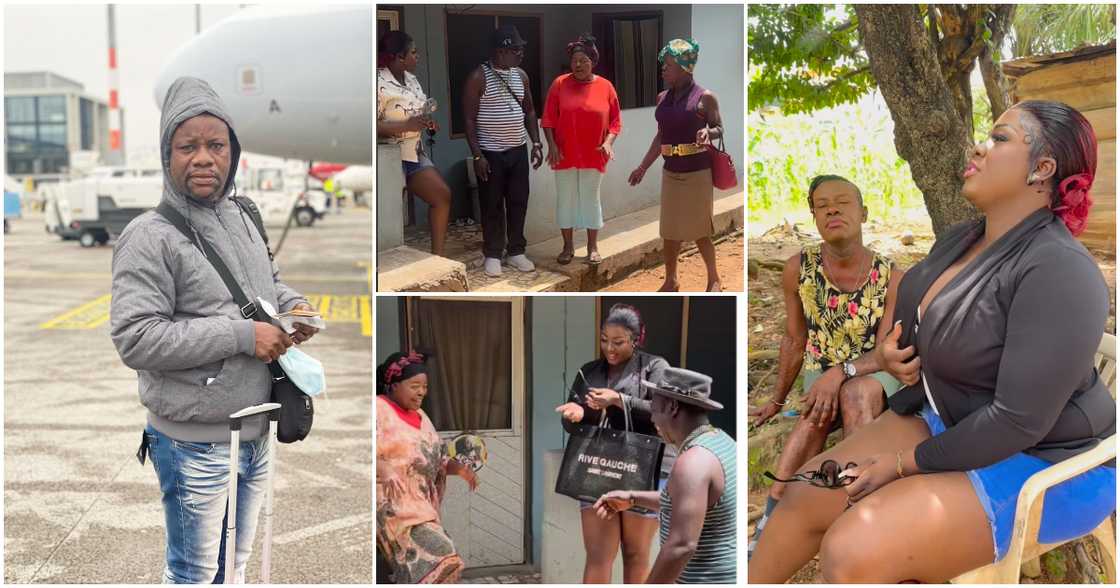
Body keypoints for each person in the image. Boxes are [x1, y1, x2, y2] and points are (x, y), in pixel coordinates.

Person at [748, 100, 1117, 583]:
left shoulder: (1059, 270)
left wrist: (903, 465)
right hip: (953, 419)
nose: (979, 148)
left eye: (1000, 138)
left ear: (1042, 168)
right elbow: (926, 328)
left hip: (1046, 461)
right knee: (805, 495)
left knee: (852, 550)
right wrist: (890, 359)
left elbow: (1018, 420)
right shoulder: (962, 239)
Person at [110, 77, 318, 583]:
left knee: (235, 567)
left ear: (232, 152)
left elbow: (266, 283)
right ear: (168, 154)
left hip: (255, 429)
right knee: (195, 574)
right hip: (193, 442)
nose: (204, 158)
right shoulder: (149, 236)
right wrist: (244, 337)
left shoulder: (243, 215)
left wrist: (293, 306)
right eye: (188, 147)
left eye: (216, 145)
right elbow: (136, 337)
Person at [747, 175, 903, 558]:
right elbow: (794, 340)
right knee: (812, 418)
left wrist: (842, 373)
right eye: (822, 205)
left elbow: (885, 352)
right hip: (821, 371)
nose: (832, 210)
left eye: (843, 202)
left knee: (855, 394)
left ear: (863, 213)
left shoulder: (892, 276)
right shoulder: (798, 268)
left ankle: (858, 509)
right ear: (815, 217)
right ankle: (772, 517)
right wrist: (777, 400)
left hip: (873, 373)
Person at [554, 304, 671, 583]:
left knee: (636, 555)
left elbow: (663, 410)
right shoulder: (589, 371)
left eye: (618, 342)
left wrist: (618, 400)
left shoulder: (655, 367)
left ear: (636, 339)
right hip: (598, 468)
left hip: (643, 471)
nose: (609, 349)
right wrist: (578, 414)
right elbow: (572, 424)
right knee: (598, 556)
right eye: (604, 340)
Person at [594, 368, 737, 583]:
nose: (652, 418)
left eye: (654, 409)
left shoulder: (693, 462)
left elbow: (681, 546)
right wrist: (632, 498)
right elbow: (690, 503)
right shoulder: (722, 441)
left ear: (672, 407)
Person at [628, 39, 723, 292]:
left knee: (700, 229)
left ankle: (714, 278)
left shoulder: (705, 98)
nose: (663, 69)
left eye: (668, 65)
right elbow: (661, 136)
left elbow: (719, 128)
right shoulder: (662, 98)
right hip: (671, 171)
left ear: (684, 68)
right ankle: (671, 279)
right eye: (664, 64)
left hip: (698, 172)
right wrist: (642, 167)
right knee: (669, 231)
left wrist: (707, 132)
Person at [376, 351, 479, 584]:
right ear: (394, 385)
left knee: (431, 569)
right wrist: (383, 467)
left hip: (421, 506)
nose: (421, 392)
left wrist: (459, 469)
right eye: (414, 386)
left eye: (424, 387)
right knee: (442, 557)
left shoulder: (421, 416)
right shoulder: (378, 409)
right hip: (394, 506)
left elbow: (436, 457)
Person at [463, 24, 544, 277]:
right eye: (516, 50)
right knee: (492, 205)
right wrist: (477, 155)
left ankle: (516, 251)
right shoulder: (478, 77)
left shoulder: (521, 76)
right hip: (491, 154)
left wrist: (536, 143)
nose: (521, 54)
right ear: (501, 51)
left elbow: (529, 111)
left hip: (517, 150)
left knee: (518, 201)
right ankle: (493, 254)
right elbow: (469, 120)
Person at [541, 34, 621, 265]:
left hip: (594, 153)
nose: (578, 64)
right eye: (575, 60)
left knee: (590, 199)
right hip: (563, 154)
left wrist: (608, 143)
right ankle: (567, 246)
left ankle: (592, 247)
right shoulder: (559, 84)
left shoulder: (606, 87)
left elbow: (615, 122)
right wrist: (552, 145)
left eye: (584, 60)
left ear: (593, 62)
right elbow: (548, 119)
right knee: (565, 200)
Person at [377, 30, 451, 256]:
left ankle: (438, 257)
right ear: (400, 57)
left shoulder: (411, 79)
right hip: (388, 157)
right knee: (389, 214)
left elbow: (418, 111)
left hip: (414, 153)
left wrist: (426, 122)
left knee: (441, 195)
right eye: (413, 52)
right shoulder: (377, 82)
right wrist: (406, 125)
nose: (417, 56)